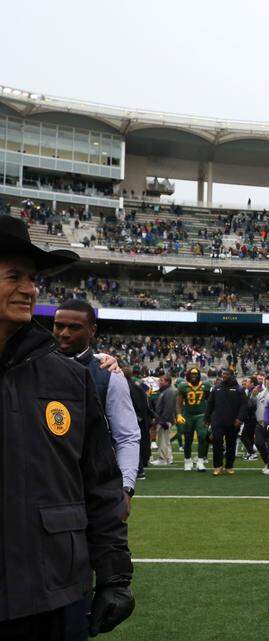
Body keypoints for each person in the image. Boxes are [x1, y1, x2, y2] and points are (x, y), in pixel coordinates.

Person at [0, 217, 135, 639]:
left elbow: (101, 483)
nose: (29, 288)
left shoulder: (69, 379)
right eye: (14, 276)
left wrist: (114, 575)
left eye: (33, 277)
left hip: (56, 589)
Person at [51, 299, 142, 506]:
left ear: (92, 330)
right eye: (59, 326)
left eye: (74, 327)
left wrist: (126, 489)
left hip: (92, 491)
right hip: (44, 488)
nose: (64, 333)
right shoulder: (34, 366)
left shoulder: (109, 375)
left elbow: (126, 436)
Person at [204, 366, 247, 476]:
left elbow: (244, 406)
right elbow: (210, 404)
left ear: (232, 375)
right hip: (217, 421)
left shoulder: (239, 389)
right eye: (223, 374)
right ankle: (218, 466)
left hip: (233, 422)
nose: (224, 376)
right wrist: (207, 418)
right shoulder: (216, 388)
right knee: (217, 443)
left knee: (231, 444)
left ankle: (229, 465)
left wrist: (239, 419)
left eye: (226, 374)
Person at [176, 367, 211, 471]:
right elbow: (179, 402)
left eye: (196, 374)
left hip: (201, 414)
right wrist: (179, 414)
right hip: (188, 415)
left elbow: (210, 401)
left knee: (203, 437)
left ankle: (200, 461)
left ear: (199, 375)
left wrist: (210, 415)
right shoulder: (183, 386)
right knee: (188, 439)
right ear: (188, 375)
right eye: (192, 374)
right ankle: (187, 460)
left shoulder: (206, 385)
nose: (194, 376)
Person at [254, 373, 269, 475]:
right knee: (258, 443)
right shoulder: (261, 393)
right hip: (260, 423)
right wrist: (253, 395)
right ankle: (268, 463)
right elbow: (255, 406)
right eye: (267, 379)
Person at [151, 374, 177, 466]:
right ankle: (169, 459)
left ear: (167, 382)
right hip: (164, 419)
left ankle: (163, 459)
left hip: (165, 420)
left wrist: (164, 420)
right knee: (165, 440)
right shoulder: (166, 391)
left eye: (161, 381)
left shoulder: (169, 392)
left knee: (163, 440)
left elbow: (169, 407)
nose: (159, 382)